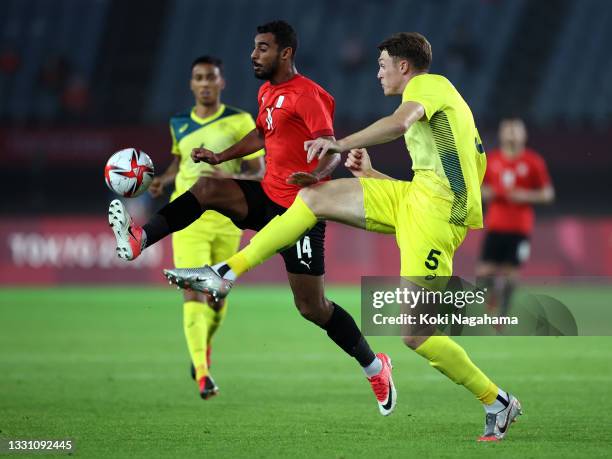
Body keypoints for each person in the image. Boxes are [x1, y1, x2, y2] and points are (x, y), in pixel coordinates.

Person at [169, 32, 523, 441]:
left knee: (417, 335)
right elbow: (435, 177)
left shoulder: (429, 84)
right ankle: (225, 271)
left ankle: (497, 401)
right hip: (416, 197)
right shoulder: (436, 100)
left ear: (403, 67)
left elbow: (397, 124)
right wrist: (372, 176)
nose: (378, 74)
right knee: (314, 196)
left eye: (382, 65)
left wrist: (338, 144)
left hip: (438, 219)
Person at [109, 21, 395, 415]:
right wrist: (221, 157)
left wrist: (315, 175)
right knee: (208, 186)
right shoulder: (266, 92)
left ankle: (376, 367)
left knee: (313, 308)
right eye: (254, 47)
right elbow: (262, 133)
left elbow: (331, 147)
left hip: (303, 211)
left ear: (286, 53)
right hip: (267, 197)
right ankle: (140, 237)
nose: (253, 55)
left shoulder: (310, 95)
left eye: (262, 48)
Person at [144, 55, 265, 399]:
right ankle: (202, 372)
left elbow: (260, 172)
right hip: (188, 222)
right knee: (192, 290)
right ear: (191, 83)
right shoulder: (178, 122)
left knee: (217, 295)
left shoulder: (240, 120)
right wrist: (163, 180)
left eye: (211, 78)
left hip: (228, 220)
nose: (206, 84)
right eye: (199, 78)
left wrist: (232, 176)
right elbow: (180, 162)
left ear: (221, 82)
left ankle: (204, 347)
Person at [476, 118, 554, 316]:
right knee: (484, 272)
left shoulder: (533, 161)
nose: (511, 134)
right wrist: (488, 193)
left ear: (524, 135)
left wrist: (526, 195)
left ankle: (503, 311)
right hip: (495, 225)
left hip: (520, 229)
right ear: (501, 134)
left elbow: (548, 194)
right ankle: (494, 296)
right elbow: (479, 188)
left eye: (515, 130)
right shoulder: (491, 160)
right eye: (508, 130)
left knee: (512, 273)